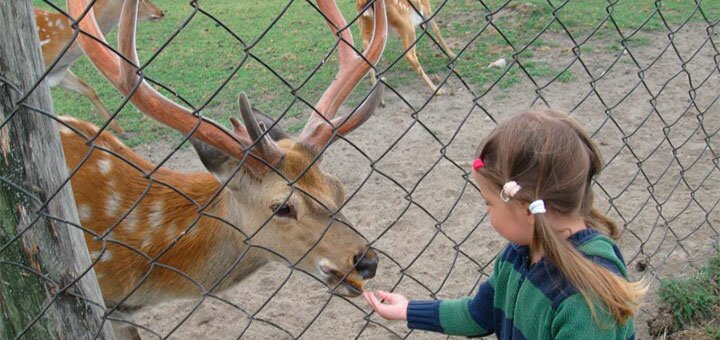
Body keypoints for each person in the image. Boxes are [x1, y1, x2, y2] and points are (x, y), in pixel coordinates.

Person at [363, 109, 646, 339]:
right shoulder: (517, 256)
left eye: (488, 202)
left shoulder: (584, 300)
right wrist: (408, 310)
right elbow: (478, 315)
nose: (486, 210)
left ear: (525, 209)